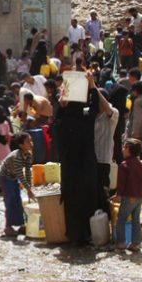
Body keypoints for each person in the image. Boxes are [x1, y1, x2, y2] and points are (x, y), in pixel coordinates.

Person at [55, 72, 103, 246]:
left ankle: (74, 235)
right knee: (88, 199)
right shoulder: (86, 120)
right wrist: (91, 86)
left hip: (69, 168)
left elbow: (58, 114)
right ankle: (87, 234)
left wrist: (62, 103)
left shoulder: (61, 123)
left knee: (72, 202)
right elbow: (96, 106)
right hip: (87, 166)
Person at [0, 132, 34, 237]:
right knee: (10, 200)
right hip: (5, 176)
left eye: (31, 140)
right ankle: (8, 227)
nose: (31, 143)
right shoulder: (17, 156)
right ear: (21, 145)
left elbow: (28, 172)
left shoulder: (28, 155)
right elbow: (20, 174)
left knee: (18, 200)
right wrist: (28, 189)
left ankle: (20, 225)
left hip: (13, 177)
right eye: (28, 142)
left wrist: (29, 188)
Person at [113, 138, 142, 252]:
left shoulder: (124, 165)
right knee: (136, 220)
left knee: (121, 219)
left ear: (128, 149)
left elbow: (122, 183)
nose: (122, 149)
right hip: (139, 197)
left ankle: (121, 243)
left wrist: (118, 195)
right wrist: (140, 195)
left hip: (129, 196)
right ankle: (136, 243)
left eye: (124, 147)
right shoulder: (140, 164)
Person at [94, 87, 118, 200]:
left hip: (103, 158)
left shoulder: (113, 113)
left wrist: (94, 87)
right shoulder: (92, 114)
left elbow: (109, 110)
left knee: (103, 190)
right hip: (91, 158)